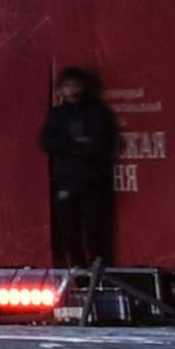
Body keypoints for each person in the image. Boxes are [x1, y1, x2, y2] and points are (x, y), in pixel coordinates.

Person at [38, 65, 121, 284]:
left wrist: (78, 146)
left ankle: (100, 279)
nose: (72, 90)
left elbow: (102, 142)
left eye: (76, 85)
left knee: (95, 233)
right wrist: (74, 144)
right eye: (67, 86)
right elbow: (47, 142)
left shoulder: (97, 112)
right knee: (70, 233)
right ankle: (80, 278)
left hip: (93, 182)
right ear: (60, 90)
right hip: (67, 182)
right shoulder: (57, 115)